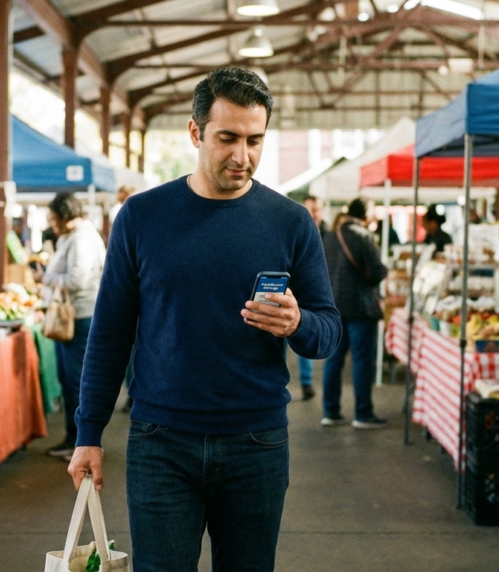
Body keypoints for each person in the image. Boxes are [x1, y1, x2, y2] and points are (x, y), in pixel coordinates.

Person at [67, 66, 341, 571]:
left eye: (255, 140)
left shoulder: (292, 222)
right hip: (160, 444)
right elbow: (109, 334)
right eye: (228, 138)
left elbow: (327, 333)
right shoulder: (142, 217)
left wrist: (297, 323)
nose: (243, 156)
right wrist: (89, 432)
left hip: (257, 445)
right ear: (195, 133)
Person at [42, 193, 106, 462]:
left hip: (78, 318)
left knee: (76, 381)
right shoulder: (75, 236)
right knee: (72, 380)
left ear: (66, 216)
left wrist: (47, 277)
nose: (52, 223)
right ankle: (75, 439)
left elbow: (77, 279)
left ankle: (79, 441)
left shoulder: (81, 239)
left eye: (54, 218)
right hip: (76, 317)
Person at [322, 198, 389, 429]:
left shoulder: (329, 236)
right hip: (360, 307)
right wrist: (384, 269)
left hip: (334, 306)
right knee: (362, 361)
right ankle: (363, 414)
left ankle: (330, 412)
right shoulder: (363, 235)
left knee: (333, 360)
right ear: (364, 213)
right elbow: (375, 272)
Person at [294, 194, 328, 401]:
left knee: (305, 333)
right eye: (310, 210)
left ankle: (306, 382)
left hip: (314, 294)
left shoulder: (328, 233)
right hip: (293, 291)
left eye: (317, 210)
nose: (314, 214)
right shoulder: (298, 229)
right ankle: (305, 381)